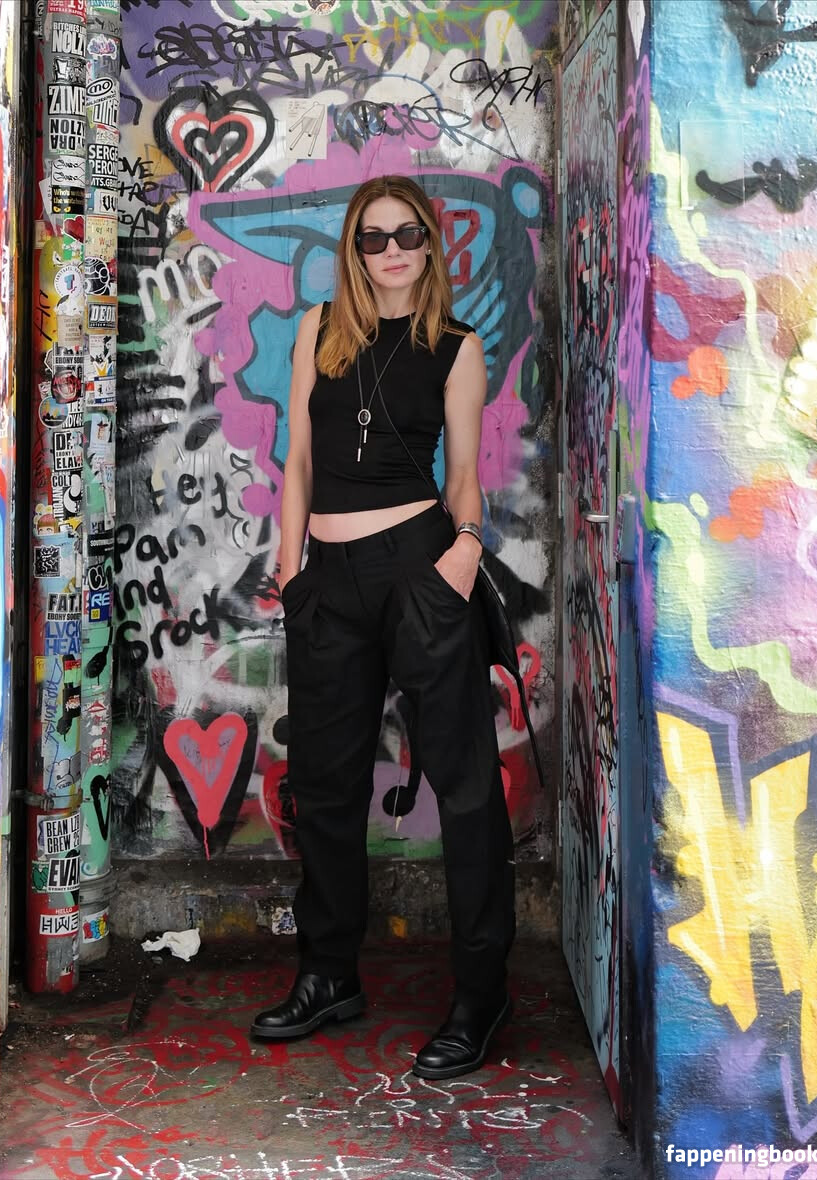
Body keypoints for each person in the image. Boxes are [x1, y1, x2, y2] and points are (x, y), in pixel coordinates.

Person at [250, 175, 516, 1080]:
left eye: (407, 235)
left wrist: (464, 552)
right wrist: (292, 569)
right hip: (327, 580)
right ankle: (328, 975)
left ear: (429, 245)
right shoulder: (318, 330)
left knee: (464, 787)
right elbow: (298, 460)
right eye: (373, 237)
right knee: (325, 785)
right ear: (353, 250)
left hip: (420, 569)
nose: (392, 250)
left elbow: (464, 474)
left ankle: (480, 995)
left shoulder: (457, 346)